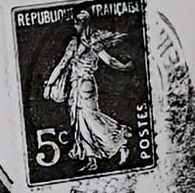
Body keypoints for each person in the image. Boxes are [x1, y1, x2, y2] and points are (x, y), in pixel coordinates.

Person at [42, 9, 133, 172]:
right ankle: (92, 160)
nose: (75, 24)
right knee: (79, 123)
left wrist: (126, 67)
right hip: (75, 87)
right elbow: (62, 64)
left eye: (78, 21)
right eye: (75, 21)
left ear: (86, 23)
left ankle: (120, 144)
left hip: (85, 85)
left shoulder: (92, 43)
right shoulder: (74, 42)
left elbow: (110, 61)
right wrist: (50, 83)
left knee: (92, 120)